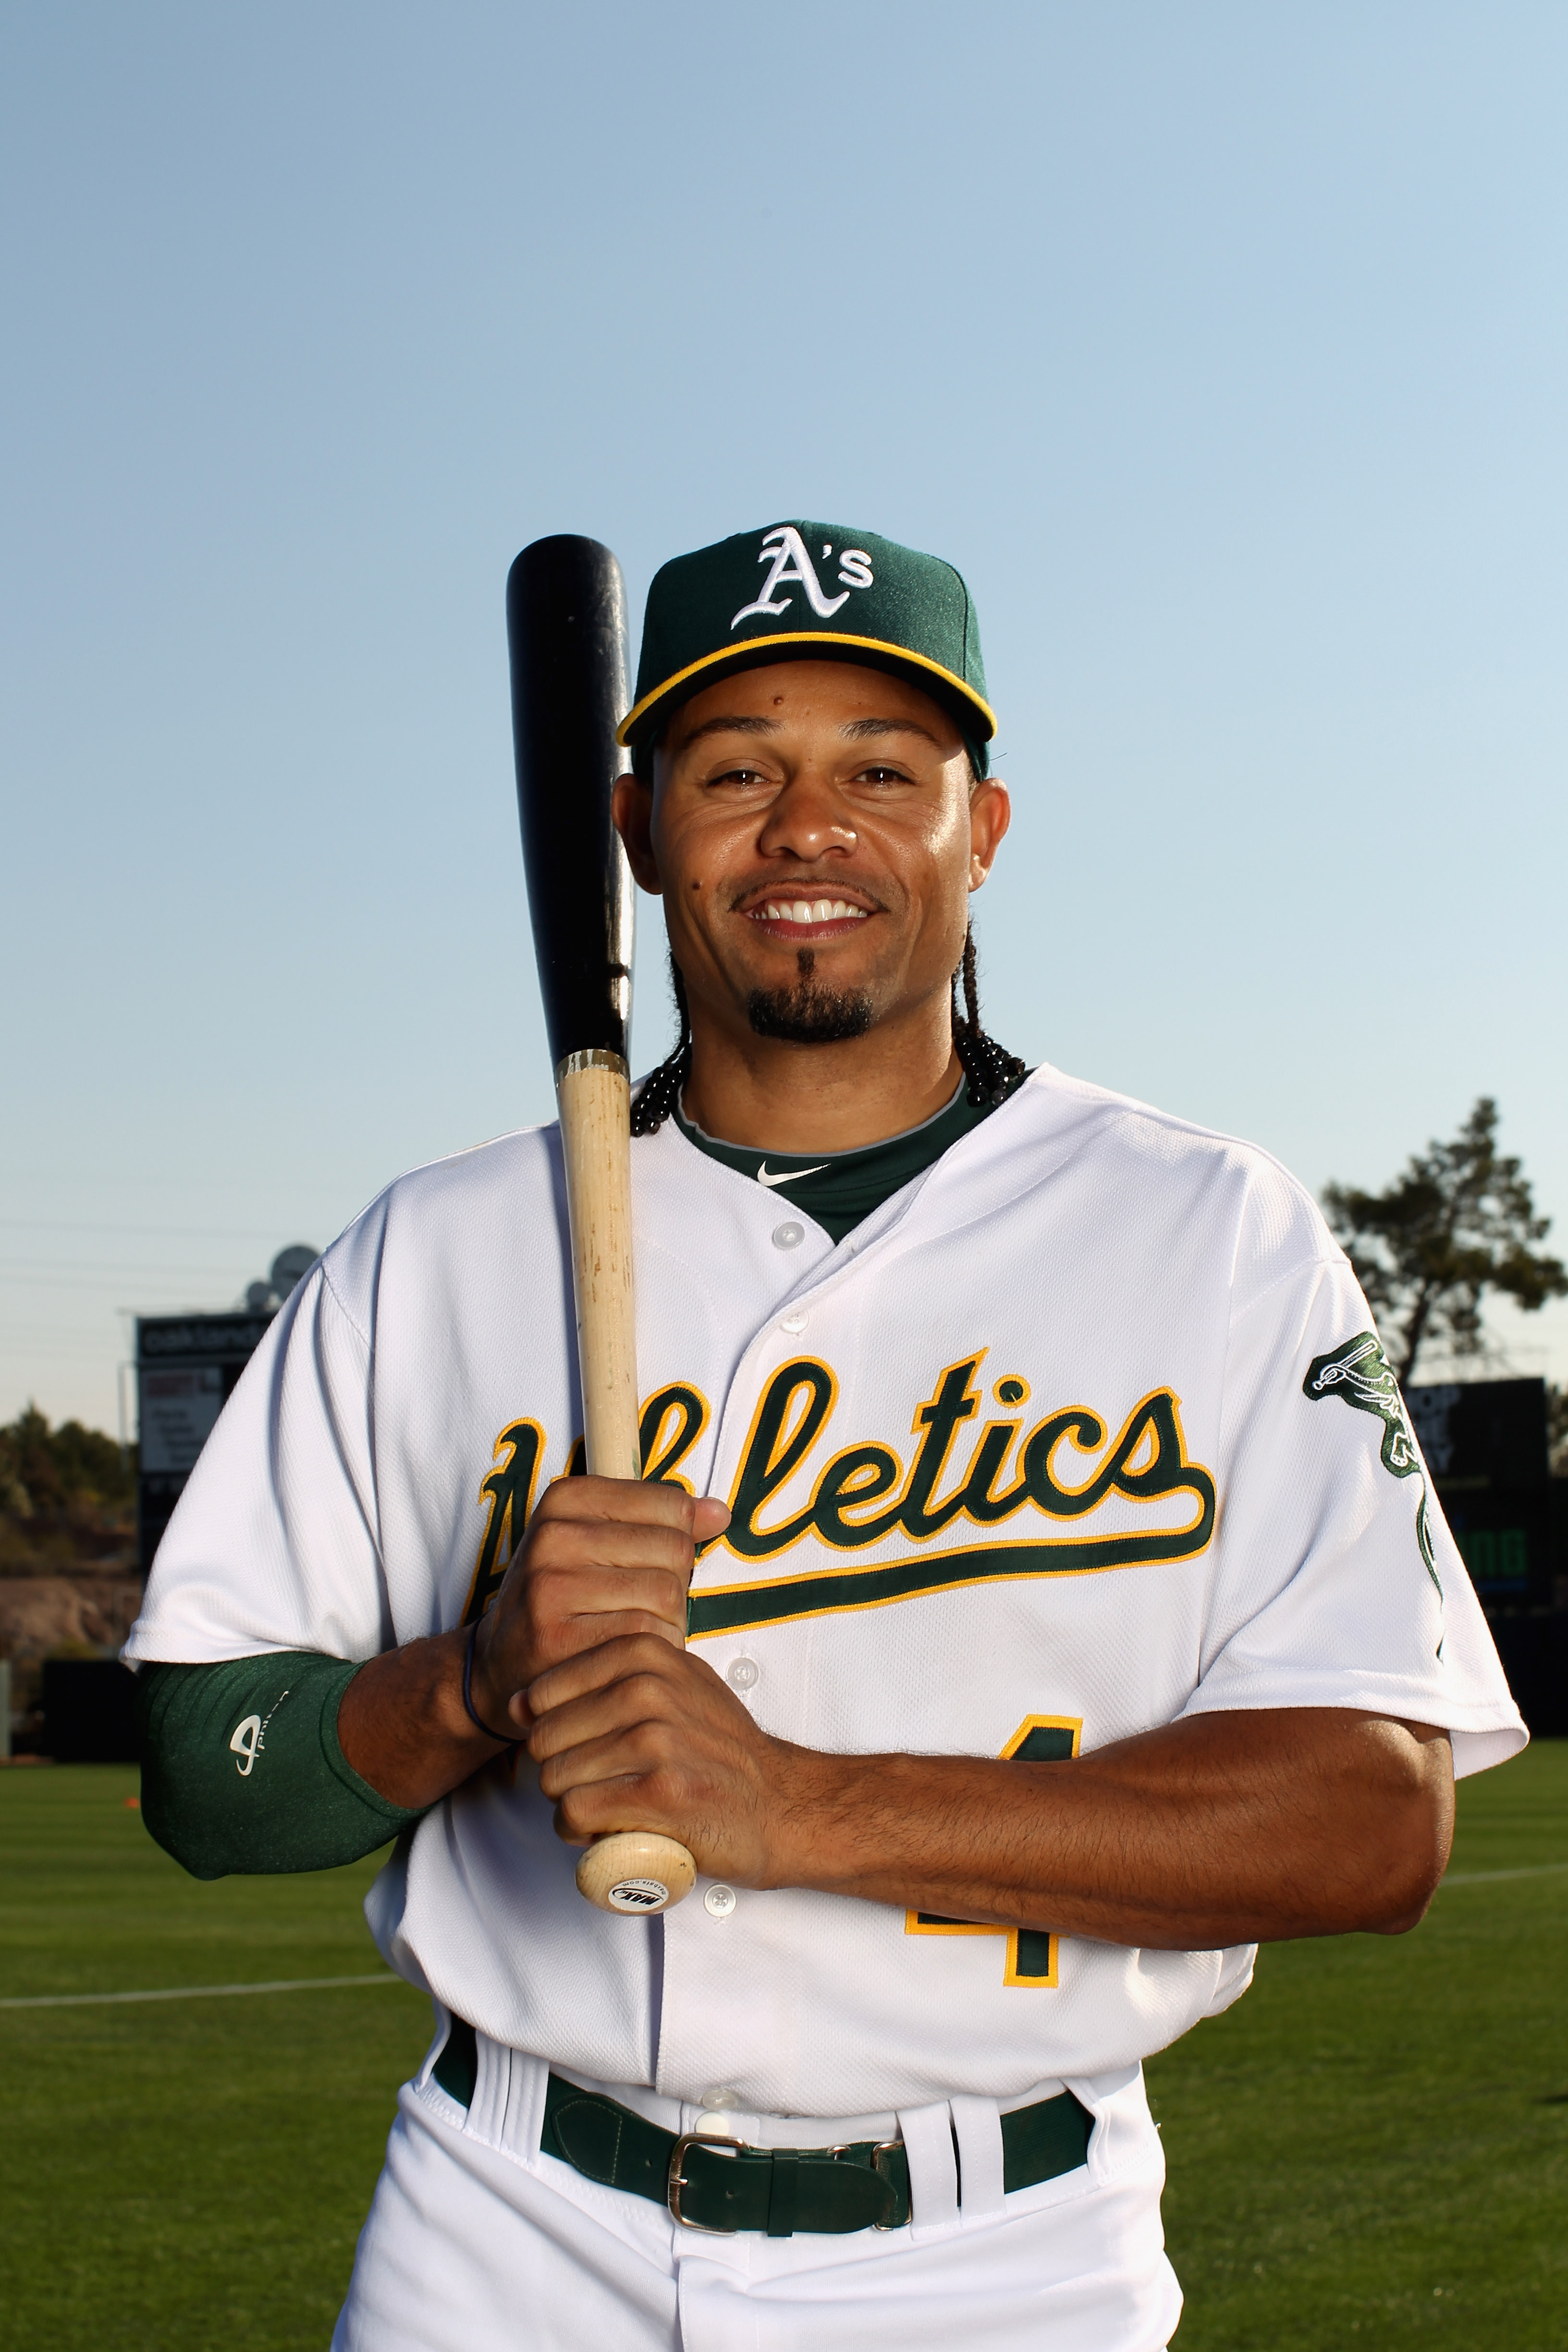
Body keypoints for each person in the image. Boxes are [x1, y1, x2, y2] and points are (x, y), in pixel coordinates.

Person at [127, 519, 1526, 2352]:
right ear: (632, 833)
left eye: (883, 768)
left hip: (1005, 2250)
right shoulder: (443, 1247)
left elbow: (1372, 1825)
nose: (809, 827)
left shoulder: (1212, 1232)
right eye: (736, 771)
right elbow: (197, 1775)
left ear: (983, 833)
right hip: (506, 2225)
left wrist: (794, 1808)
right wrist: (477, 1681)